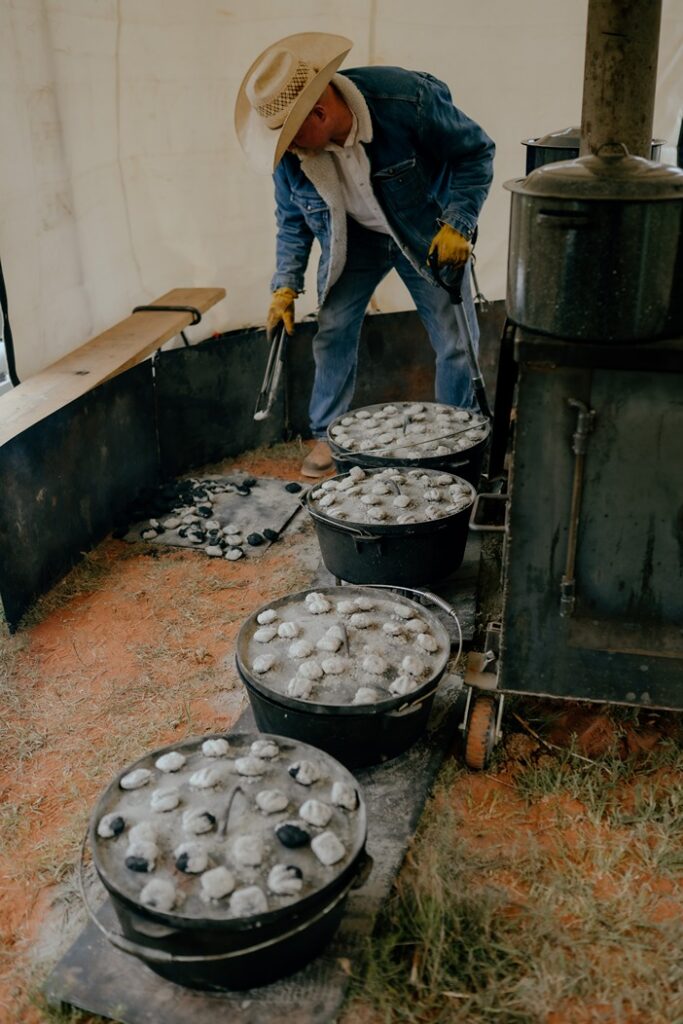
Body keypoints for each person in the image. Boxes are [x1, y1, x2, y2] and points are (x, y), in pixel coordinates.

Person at [235, 33, 494, 477]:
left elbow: (475, 152)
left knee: (454, 340)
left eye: (292, 139)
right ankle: (326, 434)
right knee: (332, 328)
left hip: (424, 232)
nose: (289, 151)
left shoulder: (406, 100)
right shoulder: (291, 155)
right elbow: (292, 221)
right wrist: (284, 284)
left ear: (318, 112)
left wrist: (458, 222)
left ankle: (455, 439)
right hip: (353, 240)